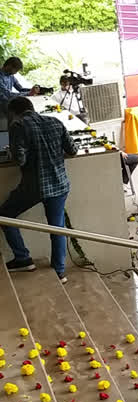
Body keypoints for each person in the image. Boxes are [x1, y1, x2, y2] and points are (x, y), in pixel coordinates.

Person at [0, 97, 76, 282]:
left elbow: (20, 159)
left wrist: (11, 151)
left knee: (5, 215)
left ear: (13, 112)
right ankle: (59, 272)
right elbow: (72, 150)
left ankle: (23, 258)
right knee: (57, 227)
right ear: (32, 107)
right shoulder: (55, 121)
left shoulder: (19, 126)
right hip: (59, 184)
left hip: (35, 187)